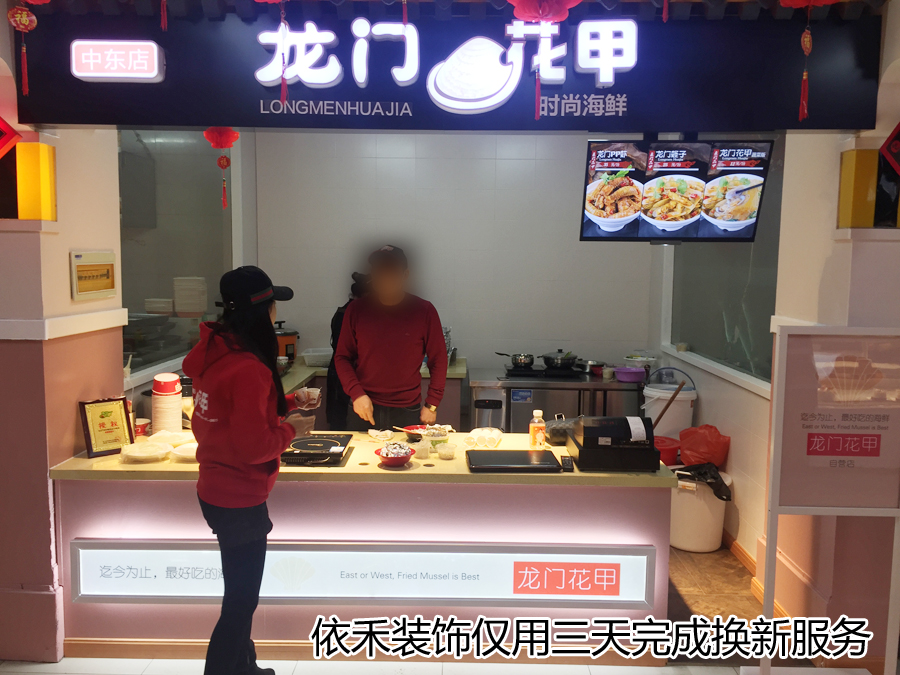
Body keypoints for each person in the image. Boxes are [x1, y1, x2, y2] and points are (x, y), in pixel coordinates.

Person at [182, 266, 317, 675]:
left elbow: (234, 413)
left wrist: (289, 401)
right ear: (264, 311)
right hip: (239, 499)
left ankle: (244, 667)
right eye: (274, 304)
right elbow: (255, 447)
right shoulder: (249, 367)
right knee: (241, 602)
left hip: (215, 489)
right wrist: (292, 430)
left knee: (239, 595)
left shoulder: (217, 351)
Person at [334, 245, 449, 430]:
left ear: (405, 275)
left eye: (391, 272)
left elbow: (439, 359)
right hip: (364, 406)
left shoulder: (424, 311)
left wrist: (432, 403)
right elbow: (342, 357)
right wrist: (356, 394)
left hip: (406, 409)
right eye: (379, 271)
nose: (384, 277)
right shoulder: (356, 310)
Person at [325, 271, 368, 430]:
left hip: (343, 375)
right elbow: (344, 354)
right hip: (345, 376)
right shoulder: (351, 313)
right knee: (343, 425)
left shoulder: (343, 311)